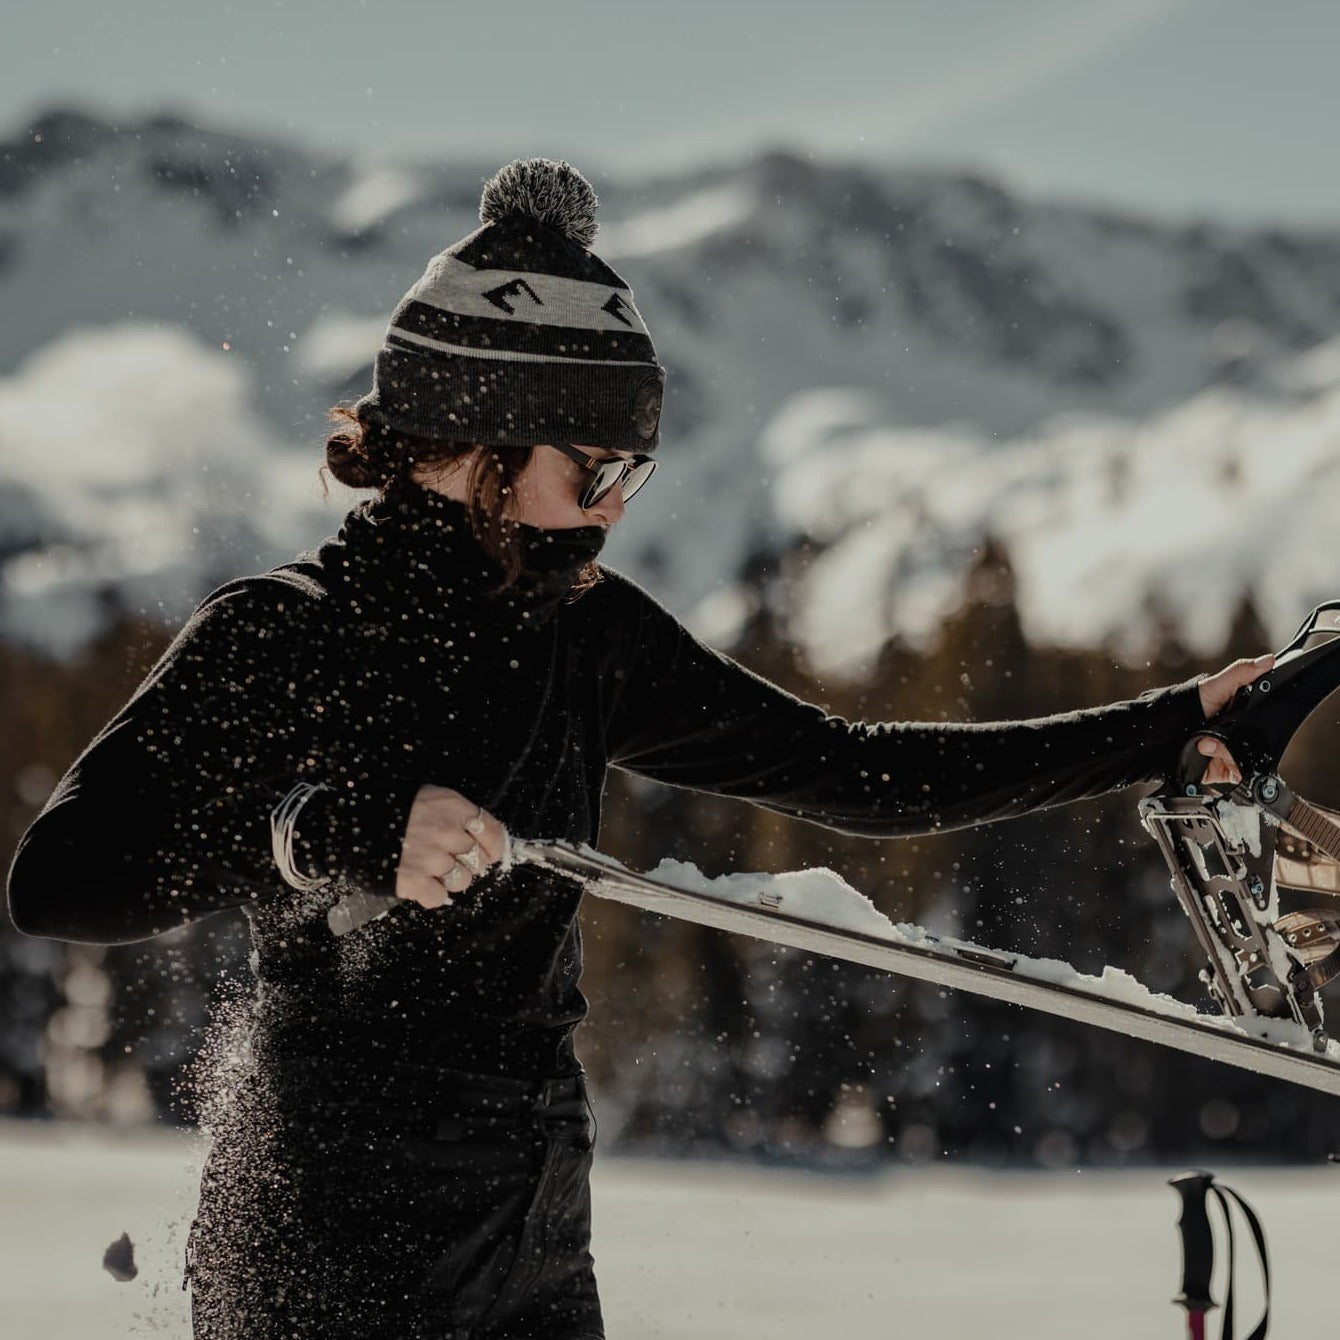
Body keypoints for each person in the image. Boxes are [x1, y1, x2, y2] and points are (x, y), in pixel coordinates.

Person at [6, 158, 1261, 1340]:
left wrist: (1171, 726)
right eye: (591, 464)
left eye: (632, 472)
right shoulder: (284, 631)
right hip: (328, 1222)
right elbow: (61, 878)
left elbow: (860, 775)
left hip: (533, 1213)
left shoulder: (582, 632)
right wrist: (323, 833)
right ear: (473, 443)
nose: (611, 505)